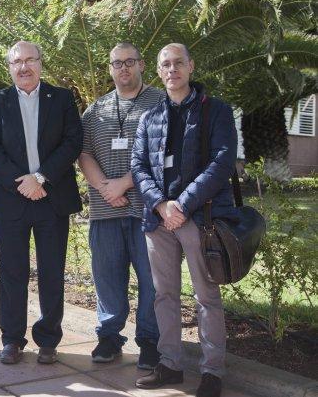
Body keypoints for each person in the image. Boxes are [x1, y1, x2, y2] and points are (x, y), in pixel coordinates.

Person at [131, 43, 237, 397]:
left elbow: (221, 163)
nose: (172, 69)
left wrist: (183, 204)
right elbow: (139, 166)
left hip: (200, 219)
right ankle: (171, 365)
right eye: (166, 64)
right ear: (158, 72)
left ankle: (212, 372)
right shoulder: (149, 118)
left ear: (191, 67)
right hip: (158, 221)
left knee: (207, 297)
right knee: (164, 296)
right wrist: (162, 205)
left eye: (178, 63)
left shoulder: (217, 112)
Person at [0, 41, 83, 365]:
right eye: (16, 62)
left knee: (52, 272)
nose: (23, 67)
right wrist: (22, 182)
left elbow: (72, 141)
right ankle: (12, 339)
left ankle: (49, 339)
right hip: (14, 200)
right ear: (9, 67)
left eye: (29, 60)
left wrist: (40, 178)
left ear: (41, 62)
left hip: (51, 198)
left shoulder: (62, 99)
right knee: (12, 272)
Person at [78, 42, 162, 369]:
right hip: (104, 209)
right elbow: (84, 153)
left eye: (129, 62)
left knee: (152, 279)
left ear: (142, 65)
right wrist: (105, 189)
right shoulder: (95, 110)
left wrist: (125, 183)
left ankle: (150, 341)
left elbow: (162, 151)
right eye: (117, 63)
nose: (123, 68)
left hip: (148, 210)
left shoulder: (160, 102)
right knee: (107, 277)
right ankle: (109, 337)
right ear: (110, 68)